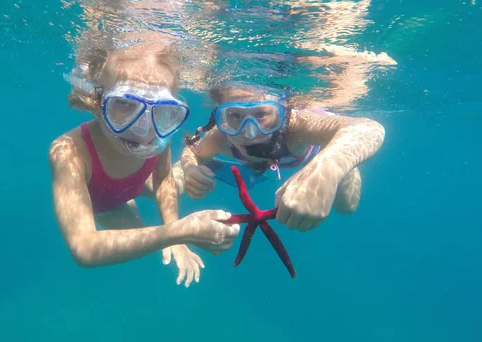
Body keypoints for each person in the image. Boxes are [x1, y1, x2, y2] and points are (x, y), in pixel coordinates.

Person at [49, 39, 239, 287]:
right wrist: (178, 233)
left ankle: (190, 166)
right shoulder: (68, 152)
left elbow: (162, 179)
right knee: (140, 238)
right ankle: (188, 170)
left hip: (139, 182)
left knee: (176, 184)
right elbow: (84, 248)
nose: (141, 128)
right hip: (107, 204)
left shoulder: (159, 131)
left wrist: (176, 234)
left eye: (161, 109)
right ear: (97, 100)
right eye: (124, 104)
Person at [177, 83, 386, 232]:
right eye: (235, 116)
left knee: (347, 206)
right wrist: (189, 168)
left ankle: (338, 147)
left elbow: (369, 128)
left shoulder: (298, 126)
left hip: (325, 147)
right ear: (219, 117)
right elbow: (192, 150)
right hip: (272, 163)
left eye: (261, 115)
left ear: (283, 113)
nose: (249, 133)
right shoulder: (220, 137)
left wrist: (327, 170)